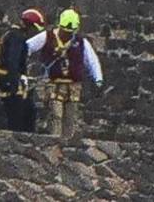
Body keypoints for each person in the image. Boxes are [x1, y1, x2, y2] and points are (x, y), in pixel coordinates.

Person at [26, 8, 104, 138]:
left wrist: (98, 78)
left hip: (73, 87)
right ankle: (55, 139)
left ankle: (68, 141)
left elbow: (92, 61)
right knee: (56, 114)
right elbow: (27, 47)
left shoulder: (80, 42)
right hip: (53, 84)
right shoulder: (47, 36)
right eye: (65, 31)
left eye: (70, 32)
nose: (67, 34)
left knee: (70, 116)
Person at [0, 7, 46, 132]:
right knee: (19, 112)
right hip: (10, 80)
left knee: (25, 110)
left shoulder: (12, 34)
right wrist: (15, 84)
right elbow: (13, 61)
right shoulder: (16, 38)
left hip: (9, 78)